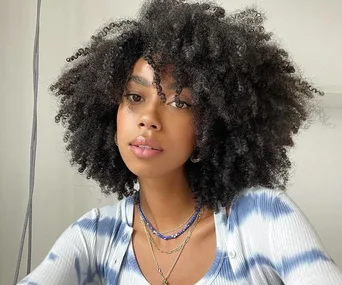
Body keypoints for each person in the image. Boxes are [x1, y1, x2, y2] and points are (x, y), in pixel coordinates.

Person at [18, 0, 342, 284]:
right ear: (109, 114)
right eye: (134, 96)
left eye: (179, 103)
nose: (148, 118)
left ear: (211, 126)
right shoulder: (96, 235)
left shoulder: (263, 219)